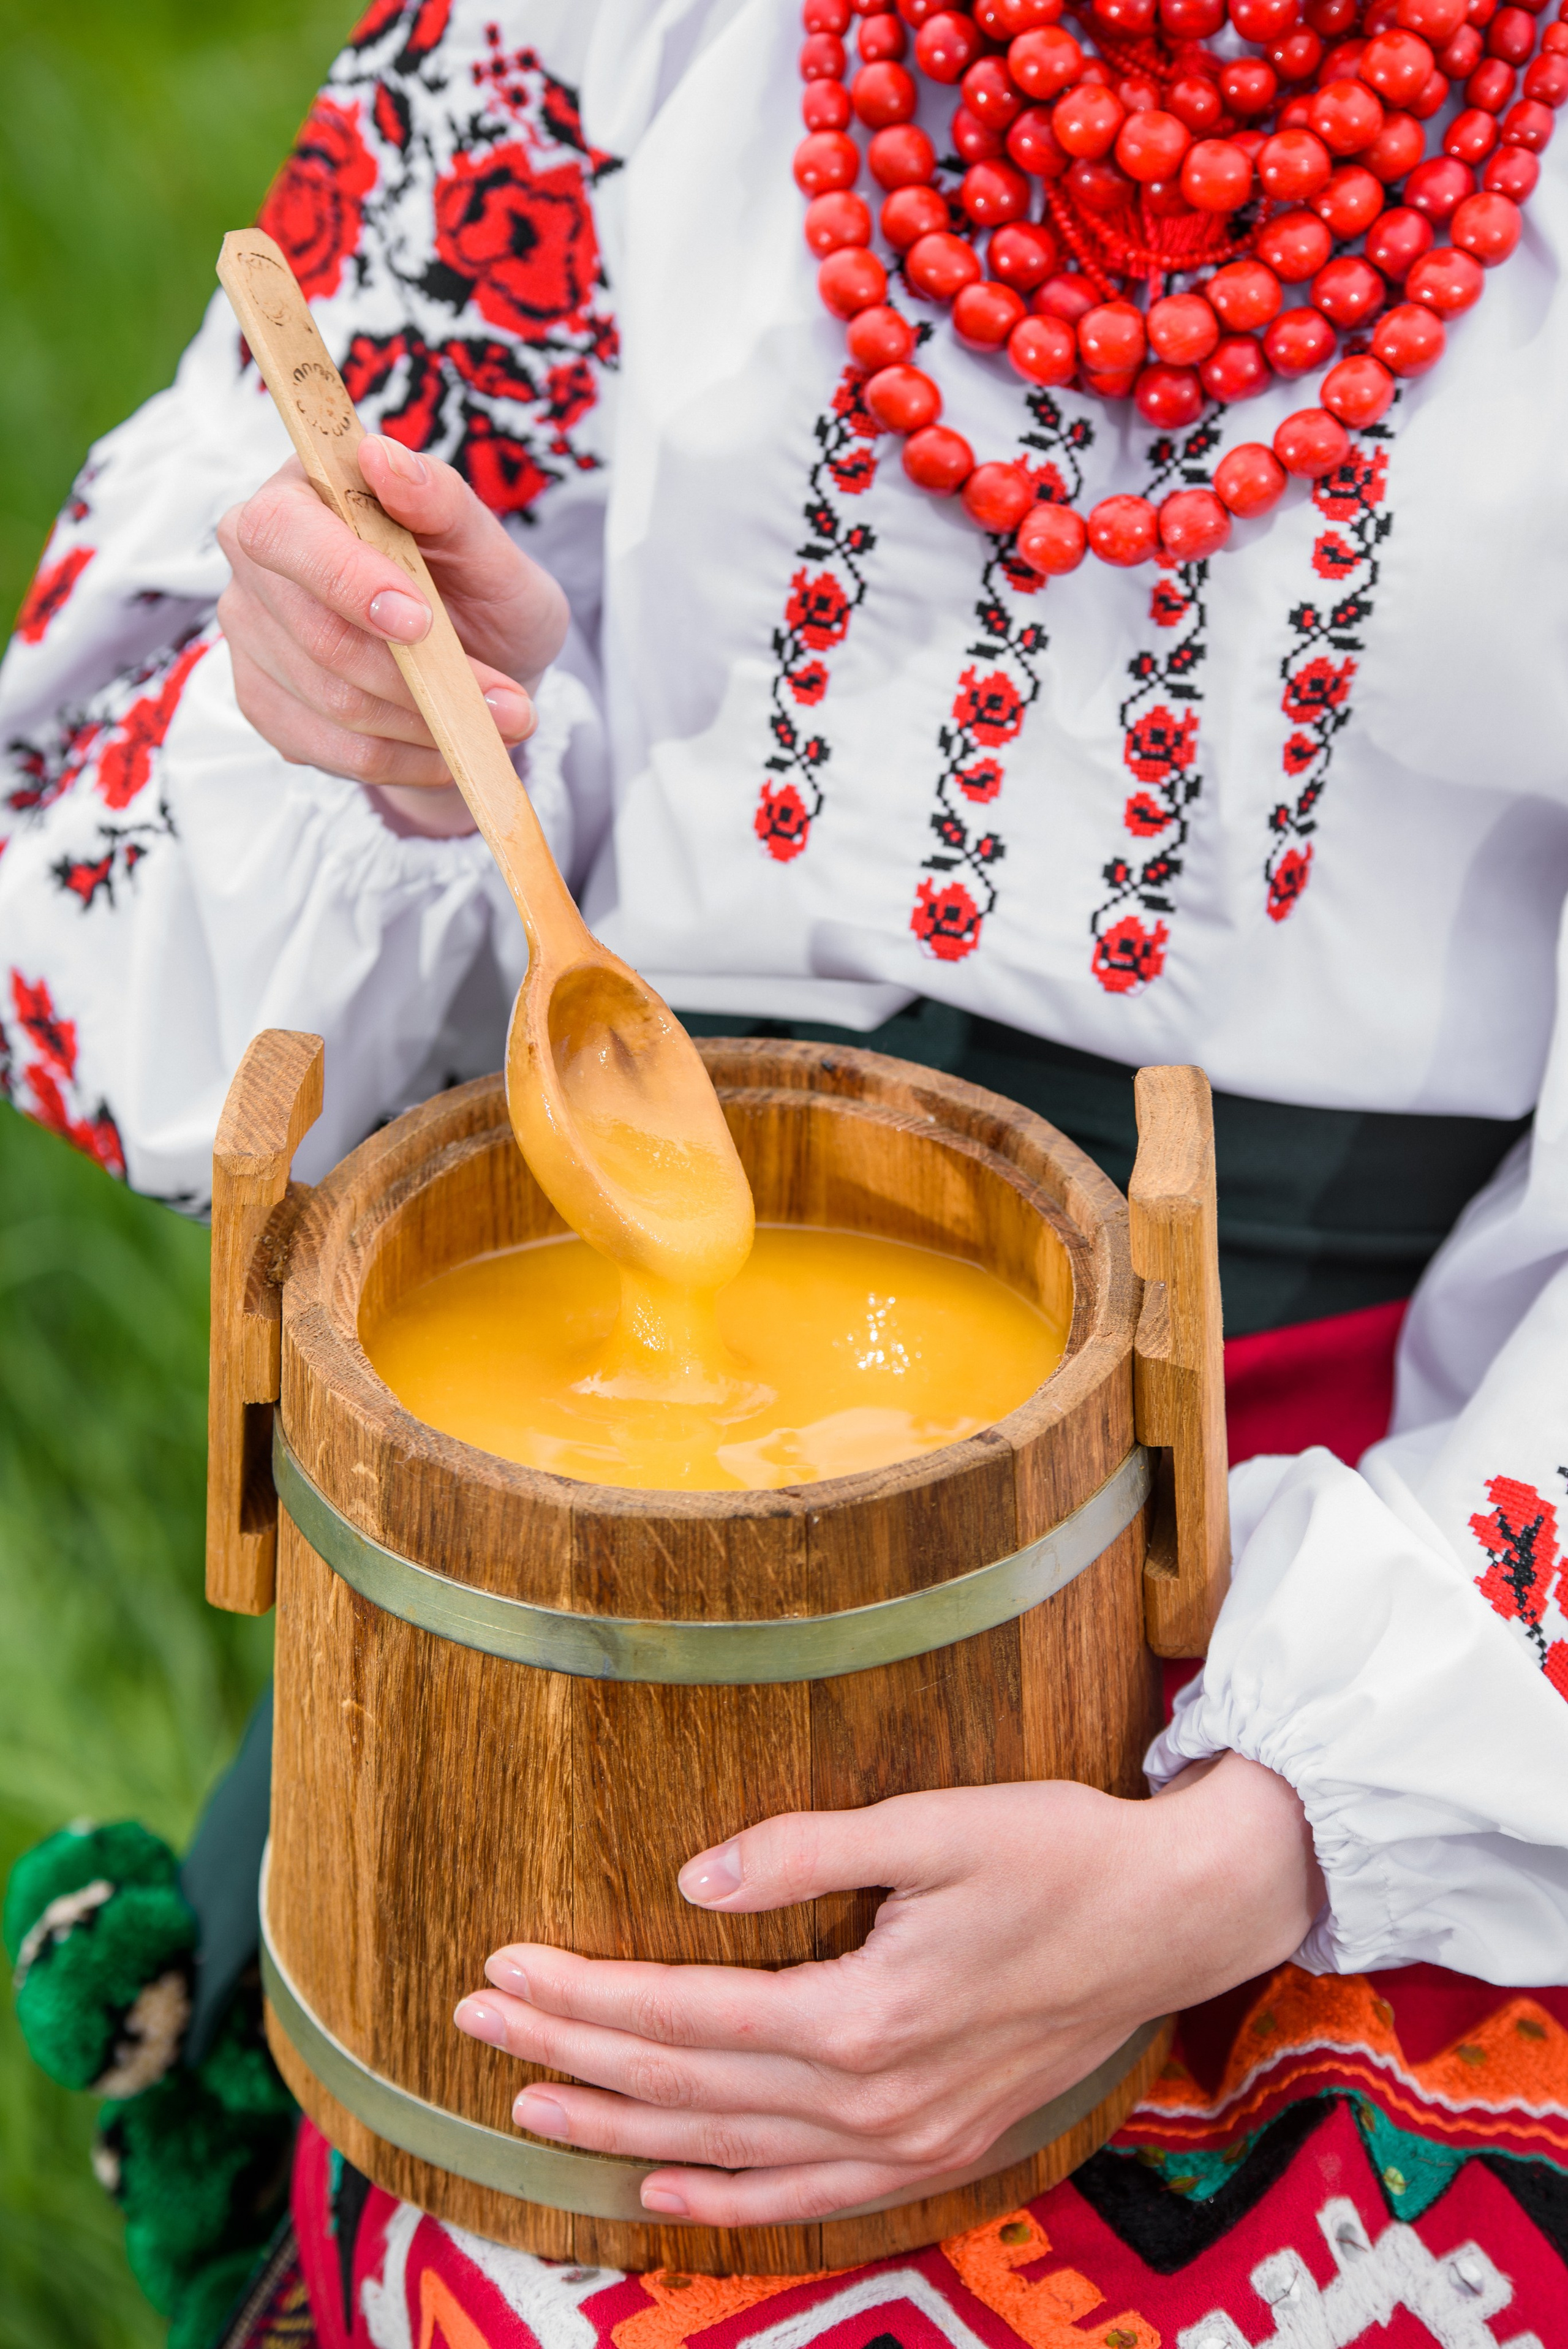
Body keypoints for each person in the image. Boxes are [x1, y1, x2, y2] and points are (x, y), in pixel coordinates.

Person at [4, 0, 1568, 2341]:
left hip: (1402, 1564)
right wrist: (402, 728)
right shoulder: (637, 37)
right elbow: (154, 744)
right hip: (612, 1463)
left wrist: (1254, 1845)